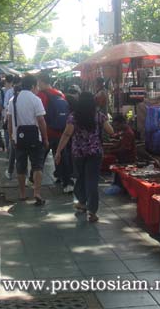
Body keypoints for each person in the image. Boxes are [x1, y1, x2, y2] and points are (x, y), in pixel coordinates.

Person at [55, 92, 114, 223]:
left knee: (80, 178)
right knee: (92, 181)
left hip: (78, 154)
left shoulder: (73, 117)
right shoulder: (99, 116)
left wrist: (58, 151)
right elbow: (111, 131)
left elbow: (66, 134)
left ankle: (82, 202)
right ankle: (92, 211)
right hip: (95, 153)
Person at [7, 74, 49, 205]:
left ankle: (22, 193)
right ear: (32, 85)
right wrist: (46, 139)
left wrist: (11, 137)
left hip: (19, 139)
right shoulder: (36, 100)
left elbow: (9, 122)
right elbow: (41, 121)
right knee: (37, 166)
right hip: (35, 138)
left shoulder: (13, 100)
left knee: (20, 167)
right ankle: (36, 192)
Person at [36, 72, 73, 193]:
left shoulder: (41, 95)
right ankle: (66, 181)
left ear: (41, 81)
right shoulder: (60, 93)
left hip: (47, 132)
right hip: (61, 132)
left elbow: (40, 115)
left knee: (40, 158)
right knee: (61, 155)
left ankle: (34, 181)